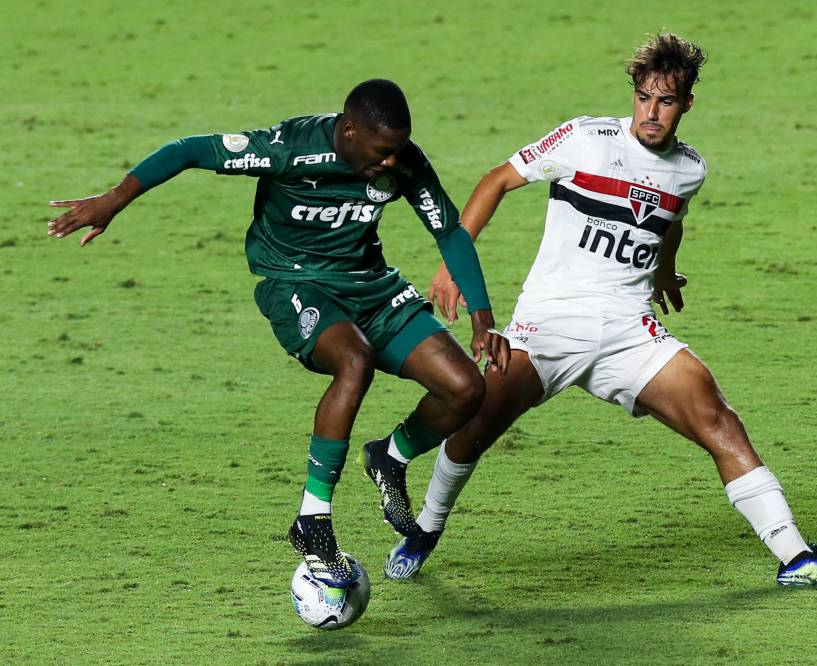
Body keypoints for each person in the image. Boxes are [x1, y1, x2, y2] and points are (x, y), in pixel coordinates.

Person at [383, 36, 817, 587]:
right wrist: (455, 259)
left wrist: (663, 269)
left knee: (719, 421)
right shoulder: (585, 138)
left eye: (666, 102)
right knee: (475, 427)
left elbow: (670, 218)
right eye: (643, 98)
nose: (651, 113)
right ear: (633, 96)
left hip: (630, 332)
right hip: (549, 326)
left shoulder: (689, 169)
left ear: (687, 105)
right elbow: (499, 179)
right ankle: (424, 530)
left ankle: (796, 559)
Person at [47, 79, 510, 591]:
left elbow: (447, 230)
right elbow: (189, 150)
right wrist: (115, 200)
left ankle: (390, 456)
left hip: (371, 287)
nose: (392, 162)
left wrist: (482, 318)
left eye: (399, 149)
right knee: (353, 360)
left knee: (466, 389)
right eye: (382, 151)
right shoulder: (290, 149)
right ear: (349, 130)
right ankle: (312, 519)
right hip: (296, 283)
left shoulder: (403, 161)